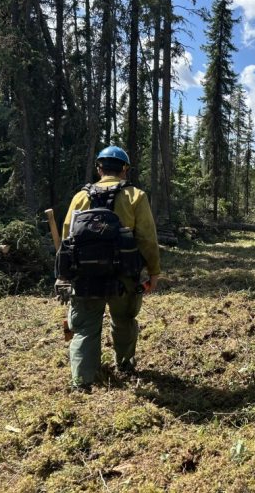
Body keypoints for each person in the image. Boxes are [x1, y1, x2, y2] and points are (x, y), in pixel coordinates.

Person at [59, 146, 160, 392]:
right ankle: (124, 365)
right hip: (124, 276)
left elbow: (66, 236)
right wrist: (154, 271)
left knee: (84, 328)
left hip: (85, 277)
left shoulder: (80, 197)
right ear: (124, 169)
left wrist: (66, 274)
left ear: (99, 168)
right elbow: (146, 238)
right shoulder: (136, 196)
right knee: (124, 320)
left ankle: (82, 382)